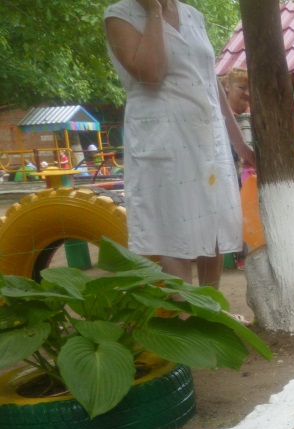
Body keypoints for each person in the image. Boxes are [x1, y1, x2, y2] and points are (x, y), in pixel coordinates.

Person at [104, 0, 255, 300]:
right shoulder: (119, 15)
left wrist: (239, 144)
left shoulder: (193, 15)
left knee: (211, 230)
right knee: (175, 235)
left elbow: (210, 81)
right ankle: (186, 322)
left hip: (206, 139)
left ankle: (211, 313)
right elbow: (151, 71)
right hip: (164, 140)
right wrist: (154, 12)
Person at [222, 67, 253, 270]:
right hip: (230, 170)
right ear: (227, 87)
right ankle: (237, 255)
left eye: (248, 90)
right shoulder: (222, 116)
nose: (246, 93)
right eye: (241, 87)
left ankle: (248, 255)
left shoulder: (250, 116)